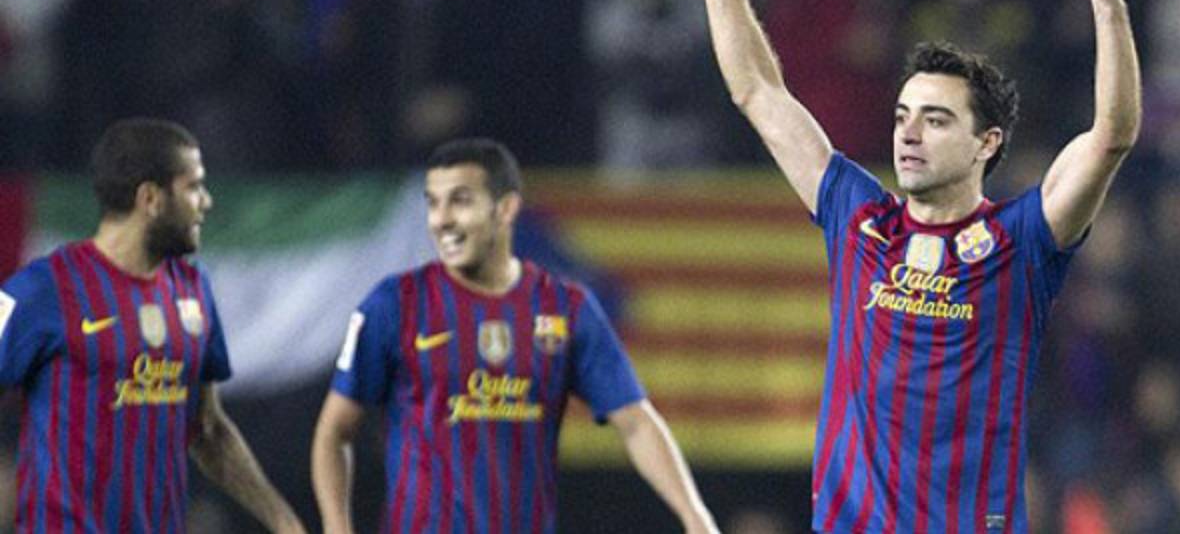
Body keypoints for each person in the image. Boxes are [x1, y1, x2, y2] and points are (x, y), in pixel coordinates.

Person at [694, 0, 1141, 532]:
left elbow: (1111, 137)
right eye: (903, 116)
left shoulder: (1021, 240)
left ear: (986, 143)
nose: (909, 133)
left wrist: (1108, 4)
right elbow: (757, 91)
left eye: (936, 120)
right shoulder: (857, 216)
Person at [311, 138, 718, 533]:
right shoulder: (394, 303)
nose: (441, 219)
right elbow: (334, 431)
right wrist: (336, 527)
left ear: (505, 208)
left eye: (460, 201)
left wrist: (695, 516)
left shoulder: (565, 307)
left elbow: (636, 423)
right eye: (433, 203)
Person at [0, 118, 305, 533]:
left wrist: (285, 522)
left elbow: (208, 430)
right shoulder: (41, 290)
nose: (207, 202)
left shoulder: (193, 289)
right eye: (194, 187)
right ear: (151, 199)